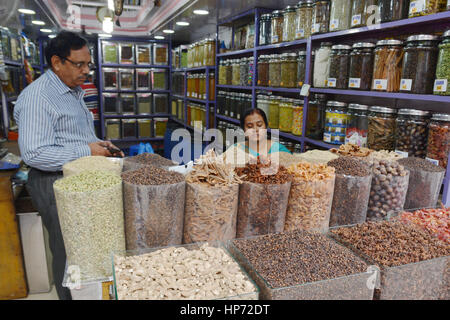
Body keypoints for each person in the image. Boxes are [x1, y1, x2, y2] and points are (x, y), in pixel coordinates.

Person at [14, 31, 123, 300]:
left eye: (89, 64)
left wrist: (100, 145)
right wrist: (87, 150)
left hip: (77, 178)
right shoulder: (37, 98)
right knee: (68, 251)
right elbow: (34, 153)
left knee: (85, 246)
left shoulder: (72, 91)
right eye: (79, 64)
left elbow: (75, 136)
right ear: (56, 62)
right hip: (53, 183)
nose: (86, 71)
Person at [222, 108, 291, 166]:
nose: (256, 129)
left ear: (266, 126)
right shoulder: (236, 149)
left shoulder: (279, 149)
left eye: (259, 125)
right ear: (244, 130)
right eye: (249, 126)